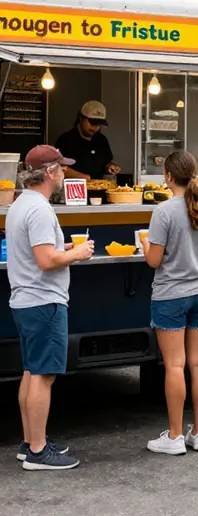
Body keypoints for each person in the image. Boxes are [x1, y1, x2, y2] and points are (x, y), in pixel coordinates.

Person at [7, 145, 94, 470]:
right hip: (44, 301)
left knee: (31, 371)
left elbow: (38, 251)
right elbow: (45, 260)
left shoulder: (20, 204)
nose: (64, 173)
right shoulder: (41, 210)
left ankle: (30, 441)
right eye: (61, 167)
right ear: (49, 173)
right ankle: (39, 452)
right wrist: (78, 253)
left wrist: (65, 246)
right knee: (44, 375)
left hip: (25, 301)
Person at [140, 150, 198, 455]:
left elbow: (154, 260)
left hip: (171, 294)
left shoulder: (163, 212)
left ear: (169, 177)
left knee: (175, 365)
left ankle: (174, 436)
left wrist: (146, 243)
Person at [55, 101, 121, 181]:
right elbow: (58, 167)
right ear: (80, 118)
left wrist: (109, 167)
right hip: (73, 189)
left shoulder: (101, 140)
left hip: (98, 189)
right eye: (92, 123)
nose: (95, 128)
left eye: (98, 125)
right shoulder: (65, 140)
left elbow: (105, 163)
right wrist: (82, 177)